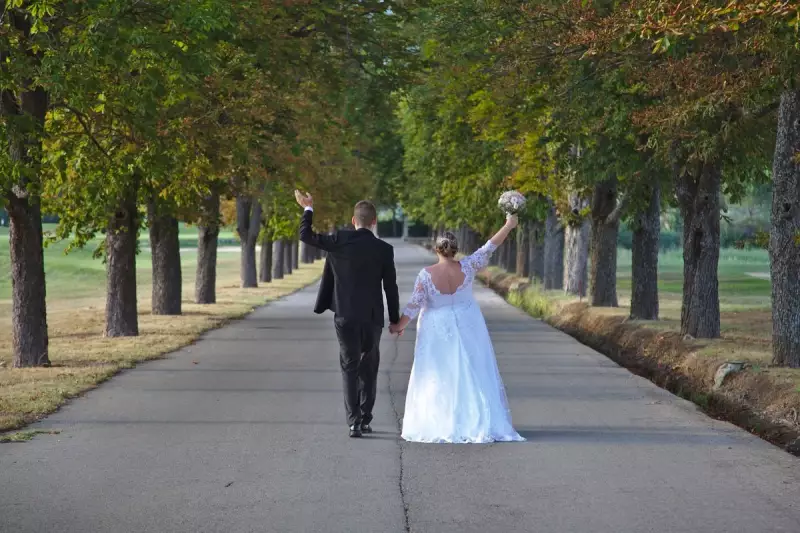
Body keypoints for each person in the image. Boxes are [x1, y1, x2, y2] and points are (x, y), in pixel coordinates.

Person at [389, 215, 525, 443]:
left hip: (436, 327)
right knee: (472, 369)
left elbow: (415, 304)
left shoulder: (426, 275)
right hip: (468, 323)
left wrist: (399, 326)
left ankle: (441, 420)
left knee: (440, 371)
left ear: (437, 249)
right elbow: (490, 245)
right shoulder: (469, 265)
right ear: (455, 249)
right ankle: (478, 418)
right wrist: (509, 225)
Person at [295, 191, 400, 438]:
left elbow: (305, 235)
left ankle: (353, 422)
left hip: (345, 315)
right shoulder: (384, 249)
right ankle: (365, 418)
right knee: (369, 367)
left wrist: (308, 208)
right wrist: (395, 319)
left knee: (349, 365)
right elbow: (390, 287)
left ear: (354, 221)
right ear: (374, 222)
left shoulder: (339, 241)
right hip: (372, 318)